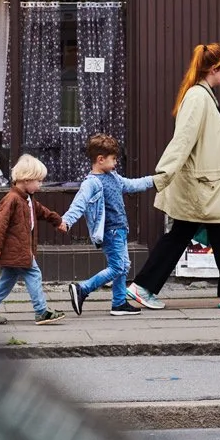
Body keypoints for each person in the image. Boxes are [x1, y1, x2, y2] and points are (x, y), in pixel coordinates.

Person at [127, 43, 220, 311]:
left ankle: (143, 286)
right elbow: (183, 140)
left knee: (187, 235)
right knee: (211, 233)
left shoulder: (203, 96)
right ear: (213, 69)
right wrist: (162, 175)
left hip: (205, 185)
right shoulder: (198, 98)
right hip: (202, 186)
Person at [63, 133, 155, 317]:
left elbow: (131, 185)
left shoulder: (113, 176)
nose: (115, 163)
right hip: (110, 232)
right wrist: (67, 220)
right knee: (117, 267)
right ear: (100, 159)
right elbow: (79, 203)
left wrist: (154, 180)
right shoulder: (92, 183)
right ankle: (82, 288)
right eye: (113, 159)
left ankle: (119, 303)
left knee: (123, 265)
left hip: (120, 230)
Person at [0, 154, 67, 325]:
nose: (40, 185)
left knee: (8, 278)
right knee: (34, 273)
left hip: (19, 248)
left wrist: (57, 221)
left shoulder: (27, 199)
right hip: (17, 248)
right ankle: (41, 311)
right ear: (26, 180)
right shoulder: (12, 199)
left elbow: (42, 211)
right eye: (38, 181)